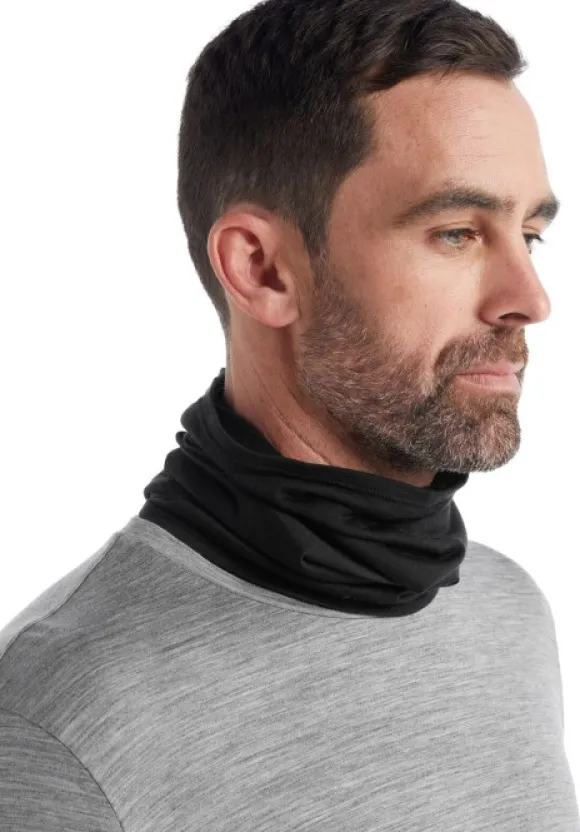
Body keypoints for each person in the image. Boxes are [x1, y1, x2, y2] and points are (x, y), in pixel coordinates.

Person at [1, 0, 578, 829]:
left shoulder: (505, 610)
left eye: (531, 234)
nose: (531, 299)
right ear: (263, 270)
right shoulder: (59, 720)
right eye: (457, 232)